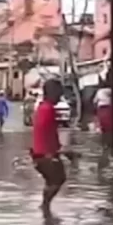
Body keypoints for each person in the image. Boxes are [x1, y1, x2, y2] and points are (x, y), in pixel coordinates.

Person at [30, 79, 67, 211]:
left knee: (52, 181)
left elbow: (49, 132)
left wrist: (59, 150)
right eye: (58, 93)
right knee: (58, 179)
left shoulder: (42, 107)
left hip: (40, 153)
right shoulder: (48, 109)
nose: (60, 96)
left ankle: (45, 208)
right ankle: (45, 206)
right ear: (51, 92)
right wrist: (51, 154)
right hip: (45, 154)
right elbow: (45, 130)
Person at [93, 81, 113, 151]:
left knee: (103, 127)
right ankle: (109, 143)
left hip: (101, 109)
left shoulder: (99, 91)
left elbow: (94, 101)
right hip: (109, 108)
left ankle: (104, 143)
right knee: (109, 127)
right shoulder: (110, 90)